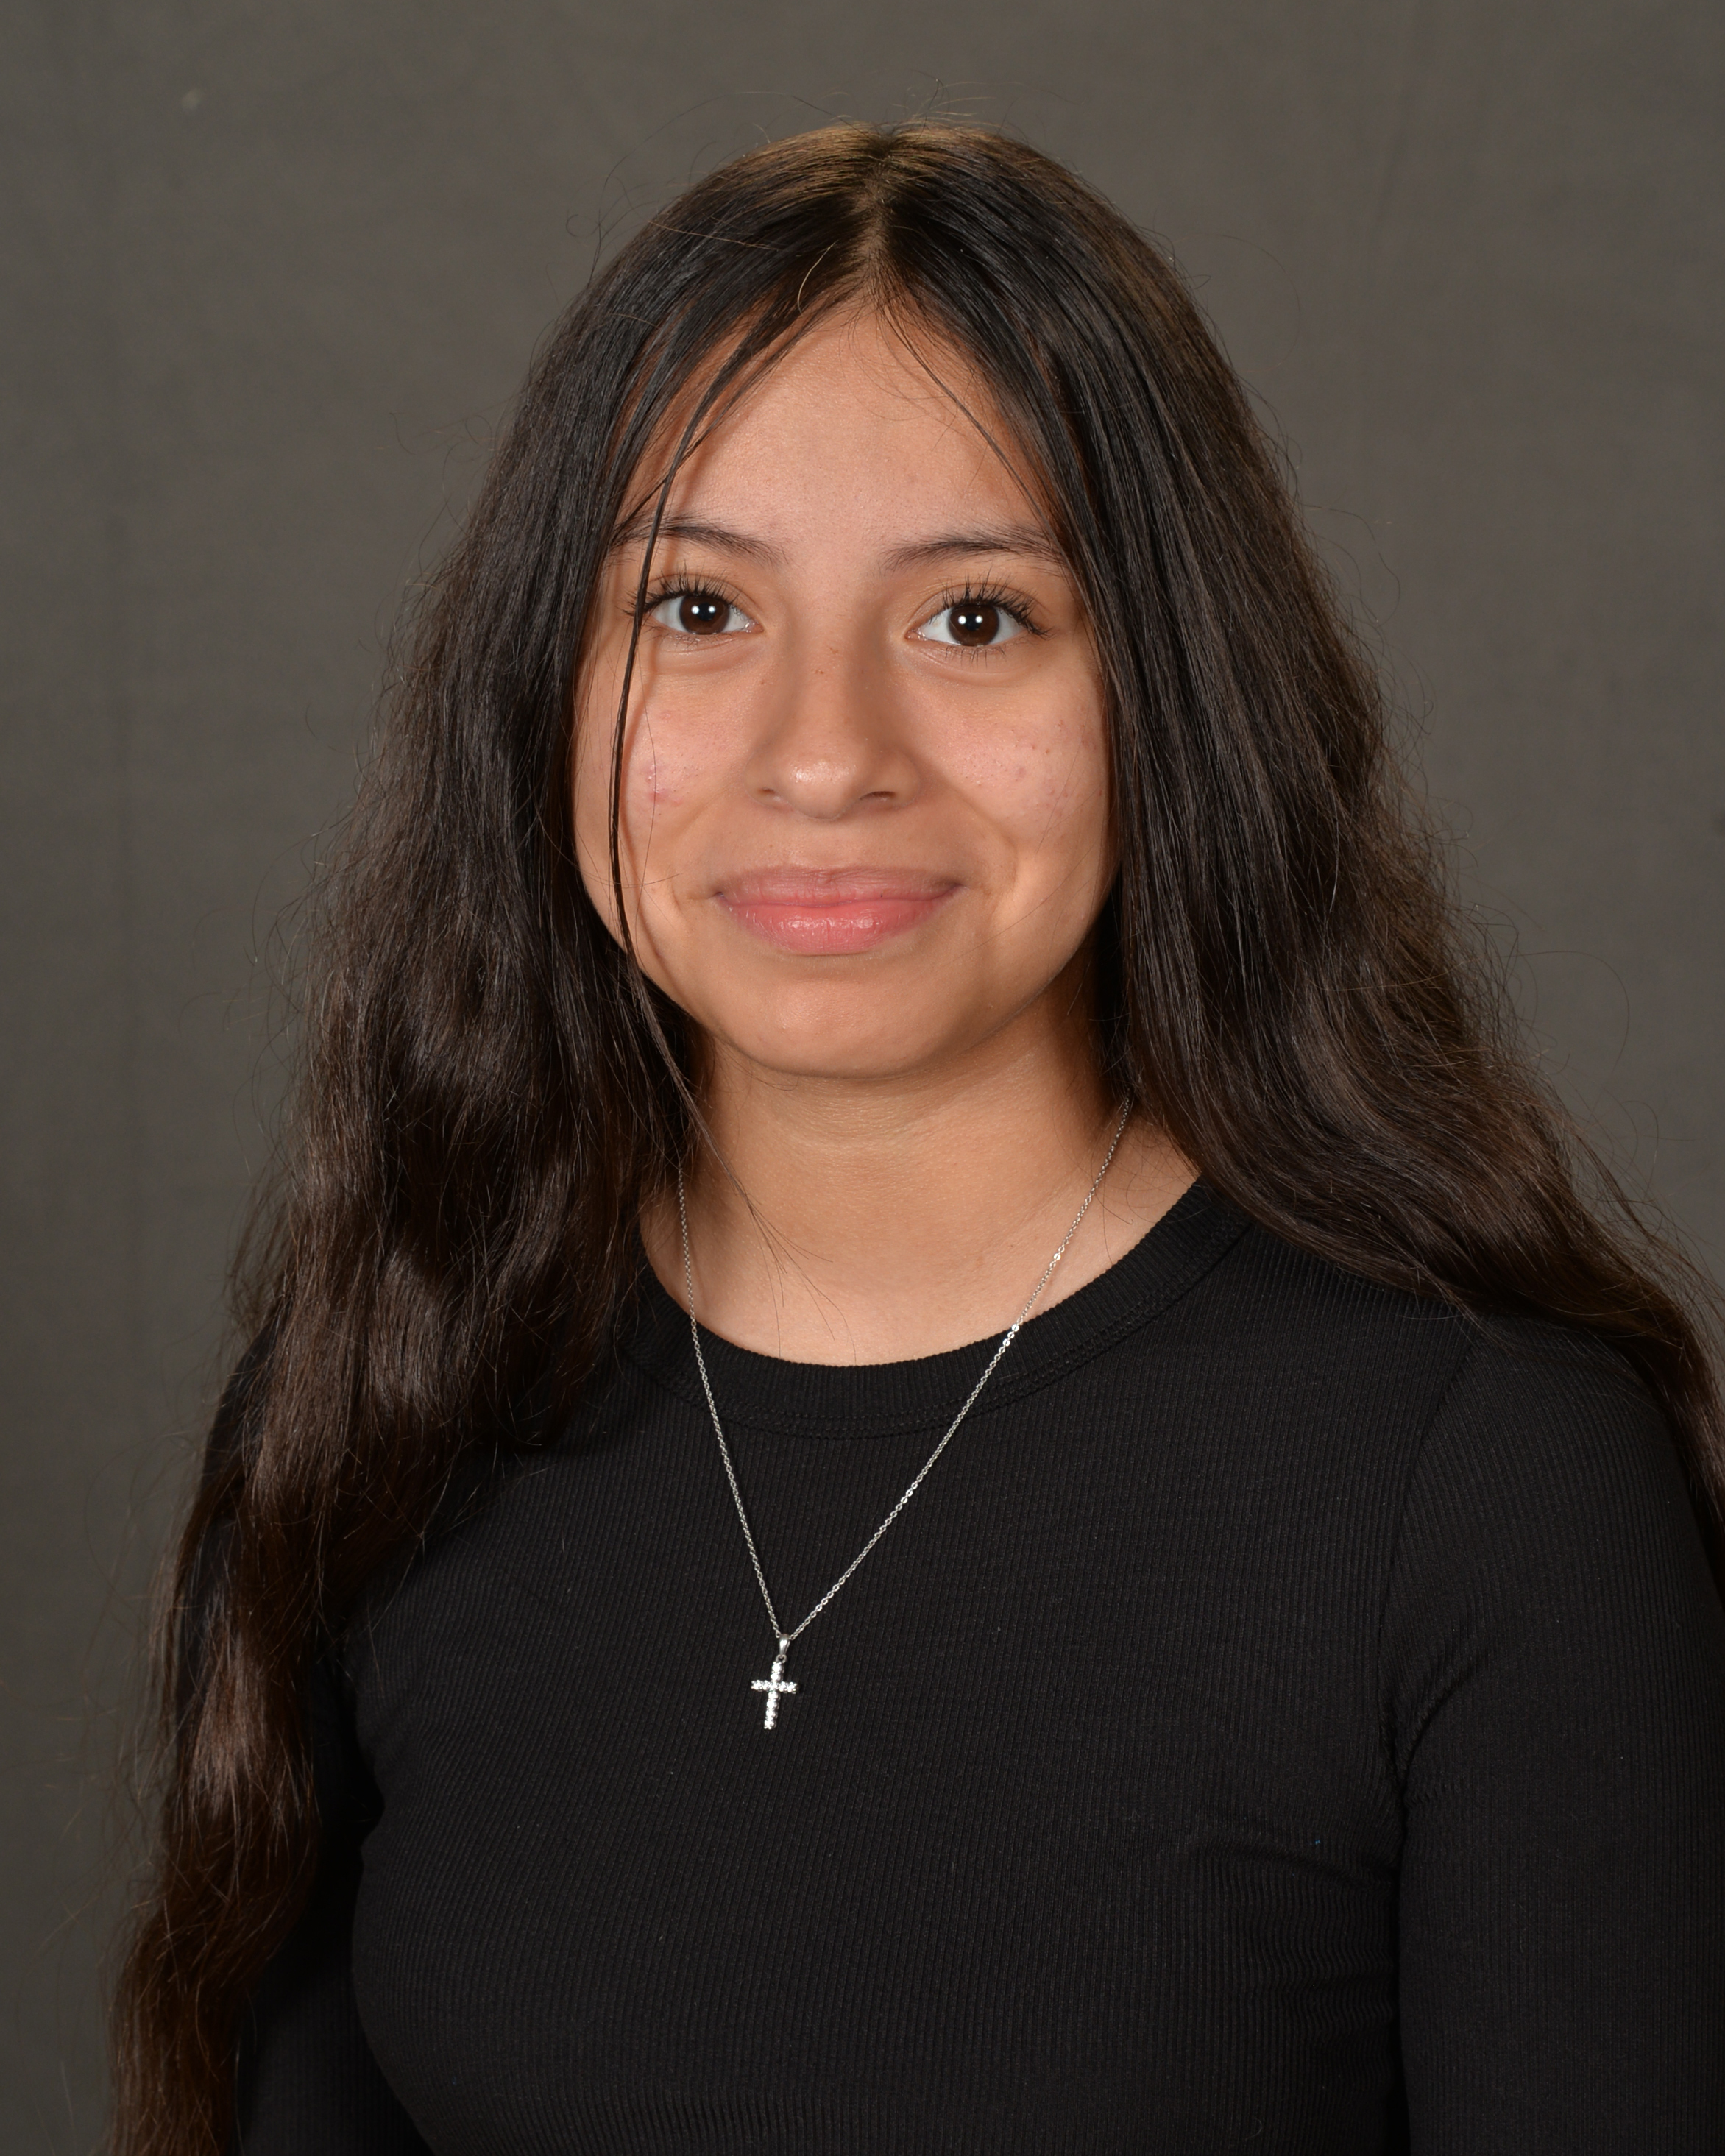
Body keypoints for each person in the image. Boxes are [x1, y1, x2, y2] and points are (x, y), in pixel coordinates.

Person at [113, 121, 1725, 2155]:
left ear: (1170, 689)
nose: (824, 756)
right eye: (696, 606)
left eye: (975, 617)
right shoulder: (390, 1395)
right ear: (544, 682)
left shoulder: (1487, 1487)